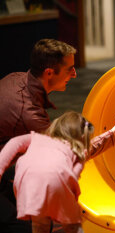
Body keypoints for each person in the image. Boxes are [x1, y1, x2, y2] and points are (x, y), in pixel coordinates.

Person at [0, 108, 115, 233]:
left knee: (39, 224)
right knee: (72, 225)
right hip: (57, 182)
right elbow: (73, 176)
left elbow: (14, 144)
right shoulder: (75, 150)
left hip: (24, 183)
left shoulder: (35, 138)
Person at [0, 38, 77, 232]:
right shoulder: (30, 113)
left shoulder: (16, 77)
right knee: (28, 226)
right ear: (49, 73)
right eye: (70, 69)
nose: (75, 75)